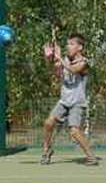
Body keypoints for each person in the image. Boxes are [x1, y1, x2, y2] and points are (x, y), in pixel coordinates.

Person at [41, 33, 98, 166]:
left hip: (77, 102)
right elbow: (55, 72)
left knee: (74, 131)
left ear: (80, 47)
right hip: (64, 101)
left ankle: (91, 157)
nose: (68, 46)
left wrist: (59, 58)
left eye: (72, 44)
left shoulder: (84, 62)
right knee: (48, 123)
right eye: (68, 44)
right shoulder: (65, 59)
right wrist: (48, 58)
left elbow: (73, 70)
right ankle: (47, 149)